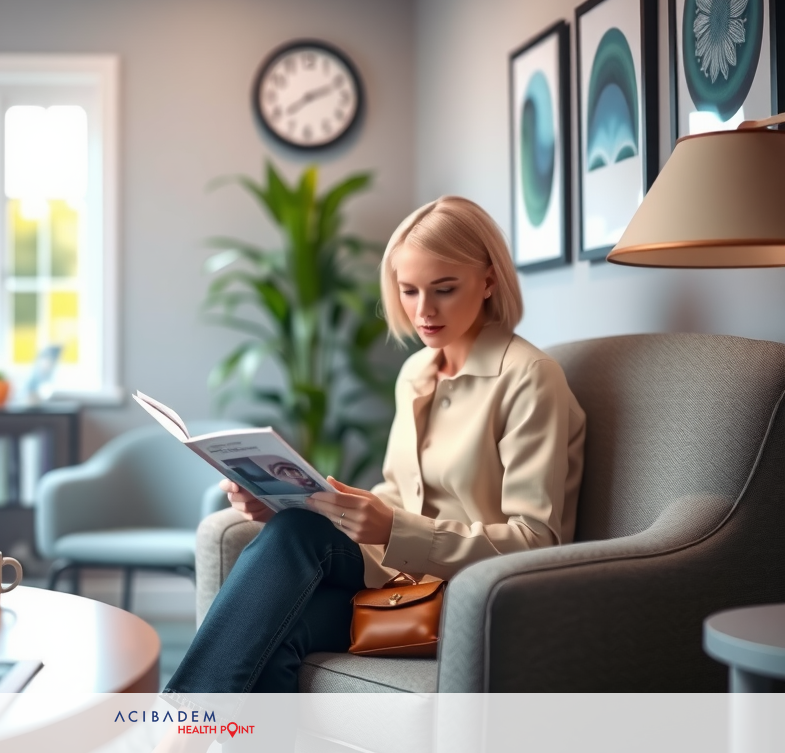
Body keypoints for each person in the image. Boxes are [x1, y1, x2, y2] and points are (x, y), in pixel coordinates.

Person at [158, 196, 586, 744]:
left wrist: (392, 529)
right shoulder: (416, 371)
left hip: (467, 597)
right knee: (274, 628)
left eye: (444, 288)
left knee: (295, 541)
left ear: (488, 280)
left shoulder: (529, 378)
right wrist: (294, 497)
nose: (423, 310)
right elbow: (399, 491)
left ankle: (175, 732)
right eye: (409, 291)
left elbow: (536, 542)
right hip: (396, 583)